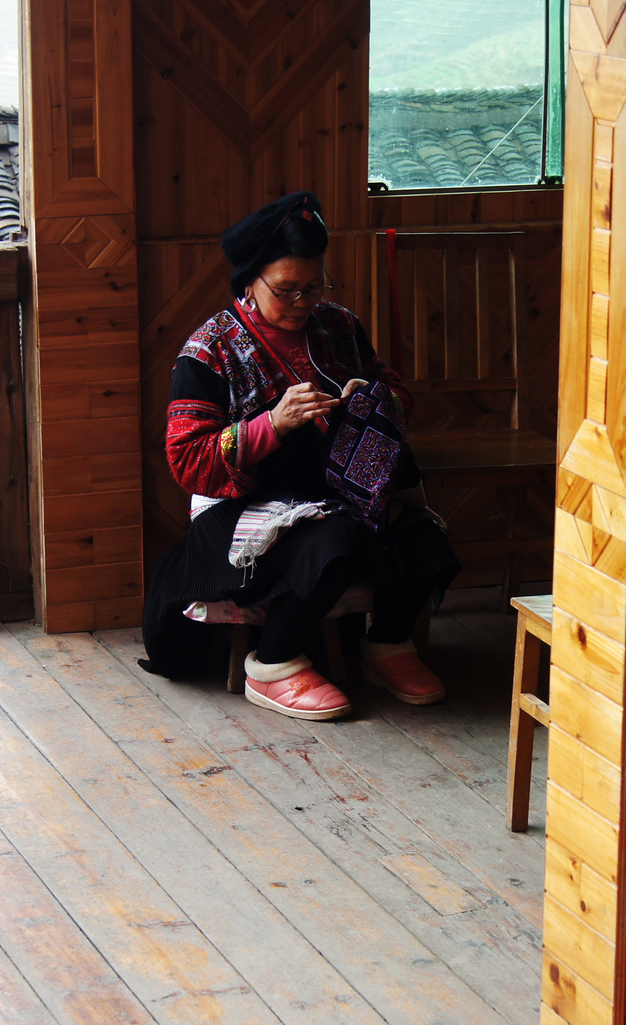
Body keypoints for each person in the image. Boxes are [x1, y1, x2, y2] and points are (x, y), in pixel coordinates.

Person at [138, 190, 459, 721]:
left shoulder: (338, 326)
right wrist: (273, 424)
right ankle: (274, 662)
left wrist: (375, 400)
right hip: (240, 511)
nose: (303, 303)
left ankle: (388, 645)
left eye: (314, 287)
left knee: (420, 532)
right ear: (250, 280)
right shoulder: (208, 350)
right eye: (286, 291)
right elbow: (188, 460)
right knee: (337, 541)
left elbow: (396, 390)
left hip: (336, 491)